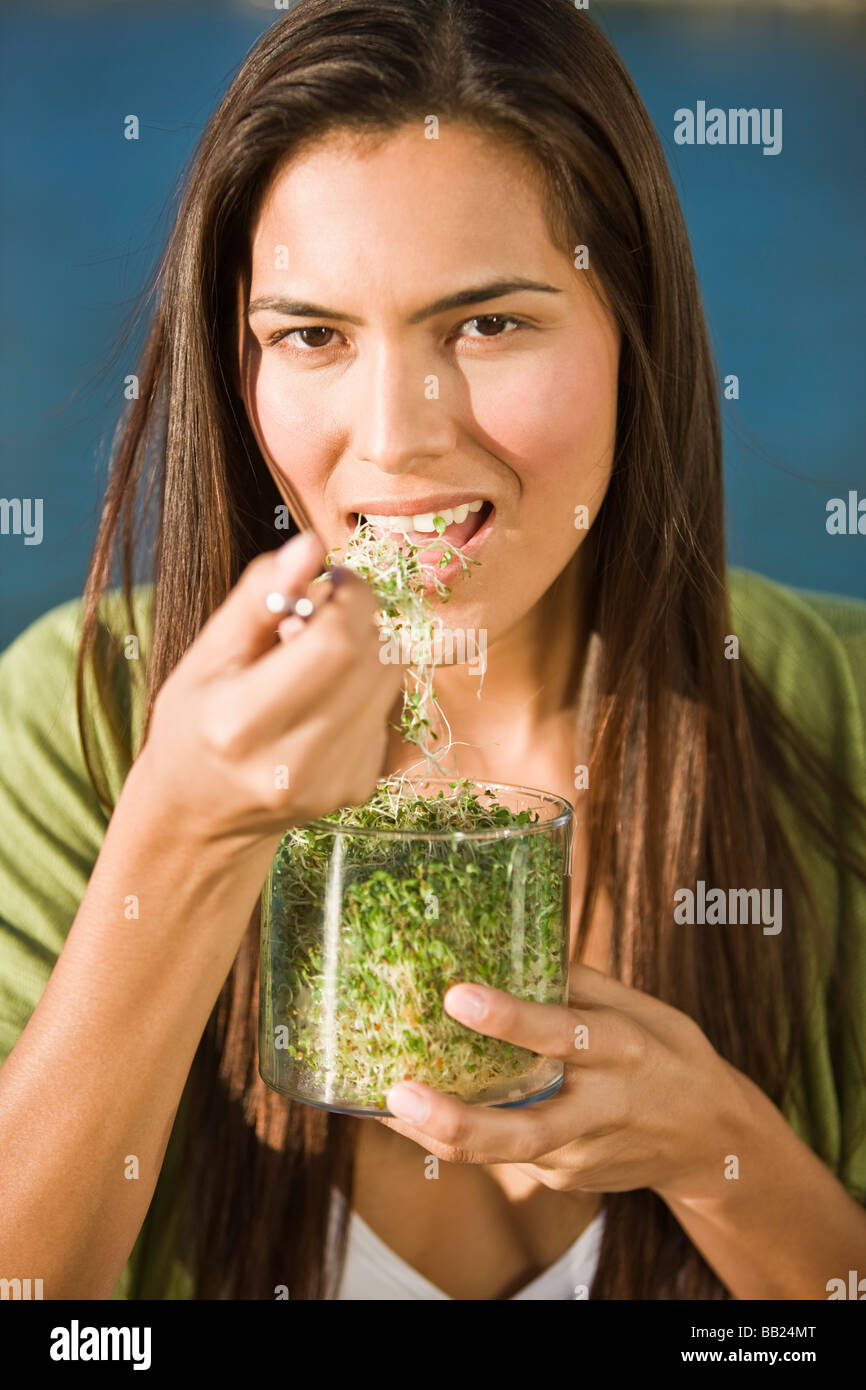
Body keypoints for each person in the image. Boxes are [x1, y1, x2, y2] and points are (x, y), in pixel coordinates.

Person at [1, 0, 864, 1302]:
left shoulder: (838, 715)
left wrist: (726, 1156)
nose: (394, 440)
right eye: (311, 336)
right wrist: (178, 832)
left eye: (486, 325)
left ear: (634, 330)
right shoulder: (82, 718)